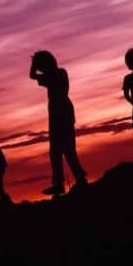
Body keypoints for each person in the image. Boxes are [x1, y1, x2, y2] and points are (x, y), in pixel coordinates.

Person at [29, 50, 87, 195]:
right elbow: (35, 76)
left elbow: (32, 75)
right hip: (64, 113)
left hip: (59, 115)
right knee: (66, 150)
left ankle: (67, 182)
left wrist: (33, 63)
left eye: (40, 65)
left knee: (59, 151)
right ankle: (75, 179)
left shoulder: (51, 75)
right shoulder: (61, 72)